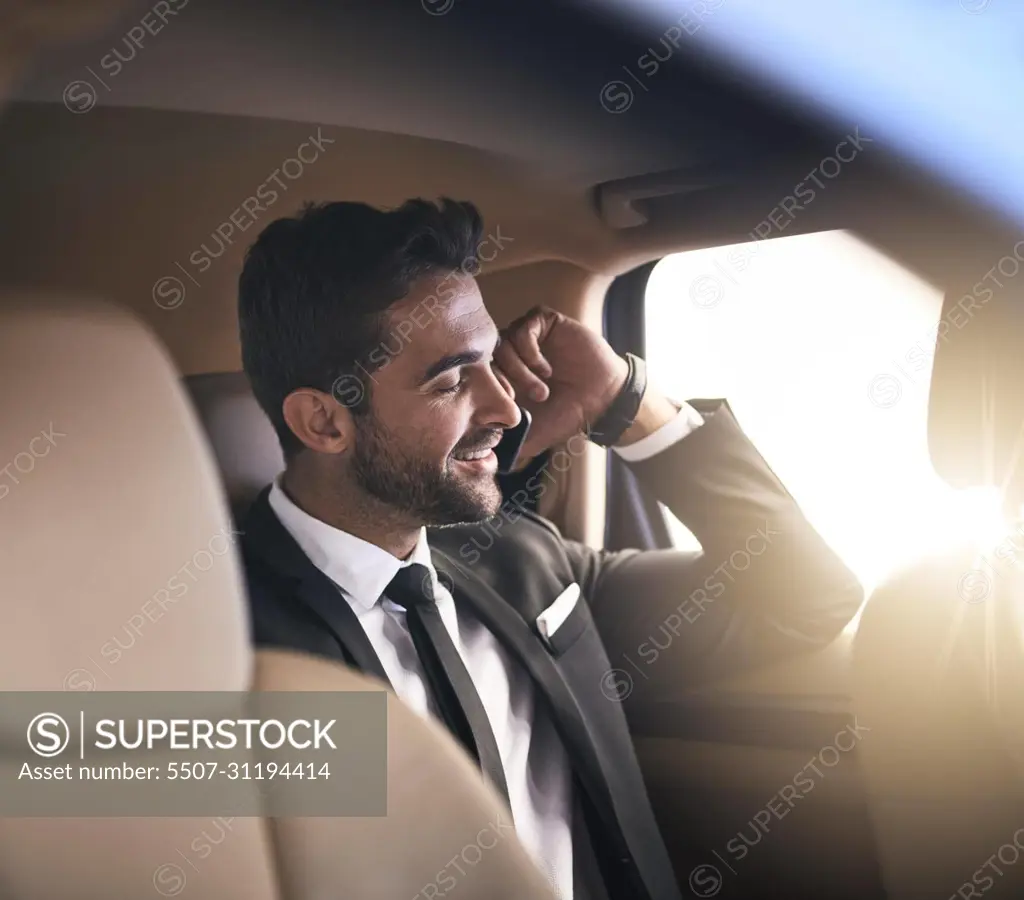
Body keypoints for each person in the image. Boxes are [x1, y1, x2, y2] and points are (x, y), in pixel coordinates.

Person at [236, 197, 863, 900]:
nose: (506, 409)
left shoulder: (522, 564)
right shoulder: (214, 641)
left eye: (491, 366)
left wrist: (622, 398)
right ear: (323, 421)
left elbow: (809, 596)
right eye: (451, 381)